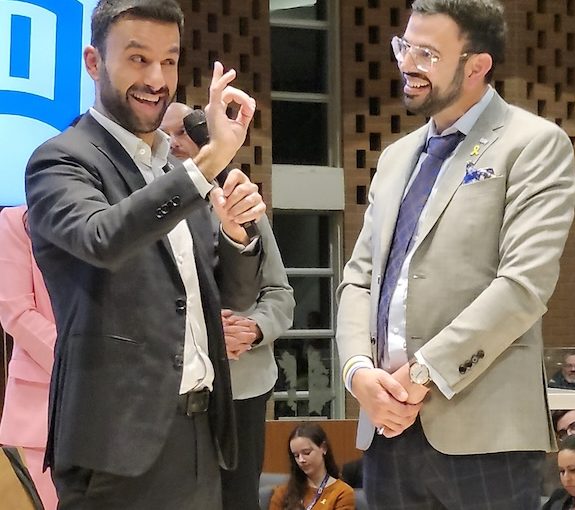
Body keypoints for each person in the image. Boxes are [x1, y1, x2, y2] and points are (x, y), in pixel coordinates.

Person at [335, 0, 575, 508]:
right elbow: (358, 279)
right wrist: (358, 372)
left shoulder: (532, 144)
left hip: (485, 434)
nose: (407, 64)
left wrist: (421, 375)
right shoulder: (396, 157)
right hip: (387, 428)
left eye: (427, 53)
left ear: (476, 65)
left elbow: (523, 287)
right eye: (405, 47)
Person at [24, 0, 266, 508]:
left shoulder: (169, 169)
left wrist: (236, 236)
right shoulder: (62, 158)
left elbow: (230, 298)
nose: (157, 78)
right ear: (93, 62)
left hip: (201, 433)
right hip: (116, 446)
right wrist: (205, 166)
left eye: (170, 61)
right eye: (138, 59)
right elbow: (101, 238)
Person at [161, 102, 295, 510]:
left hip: (243, 384)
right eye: (171, 135)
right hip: (174, 388)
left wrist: (251, 329)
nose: (180, 143)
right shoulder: (154, 208)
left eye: (189, 132)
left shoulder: (242, 205)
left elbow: (280, 294)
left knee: (237, 498)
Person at [0, 206, 58, 509]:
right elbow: (16, 312)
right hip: (41, 412)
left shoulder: (124, 219)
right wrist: (79, 361)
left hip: (126, 412)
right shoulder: (16, 221)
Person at [269, 423, 355, 510]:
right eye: (296, 455)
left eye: (307, 453)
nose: (301, 460)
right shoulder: (282, 493)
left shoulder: (342, 492)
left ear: (323, 448)